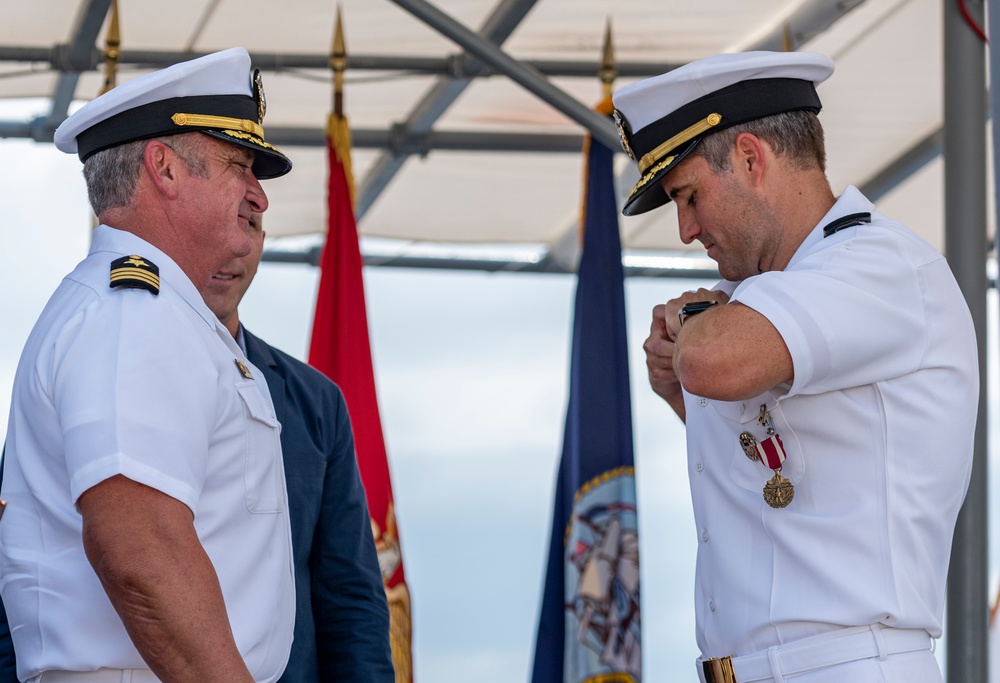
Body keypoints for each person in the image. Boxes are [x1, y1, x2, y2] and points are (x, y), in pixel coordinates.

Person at [613, 51, 978, 682]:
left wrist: (696, 329)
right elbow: (775, 485)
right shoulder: (786, 293)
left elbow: (712, 359)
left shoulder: (880, 266)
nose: (685, 229)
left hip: (848, 665)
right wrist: (684, 393)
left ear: (752, 159)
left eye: (689, 196)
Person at [0, 48, 296, 682]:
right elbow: (140, 549)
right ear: (162, 167)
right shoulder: (135, 314)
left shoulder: (159, 314)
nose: (259, 198)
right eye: (238, 165)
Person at [201, 212, 396, 682]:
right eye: (214, 226)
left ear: (264, 241)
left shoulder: (315, 403)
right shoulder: (103, 373)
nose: (233, 247)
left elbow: (350, 600)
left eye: (249, 225)